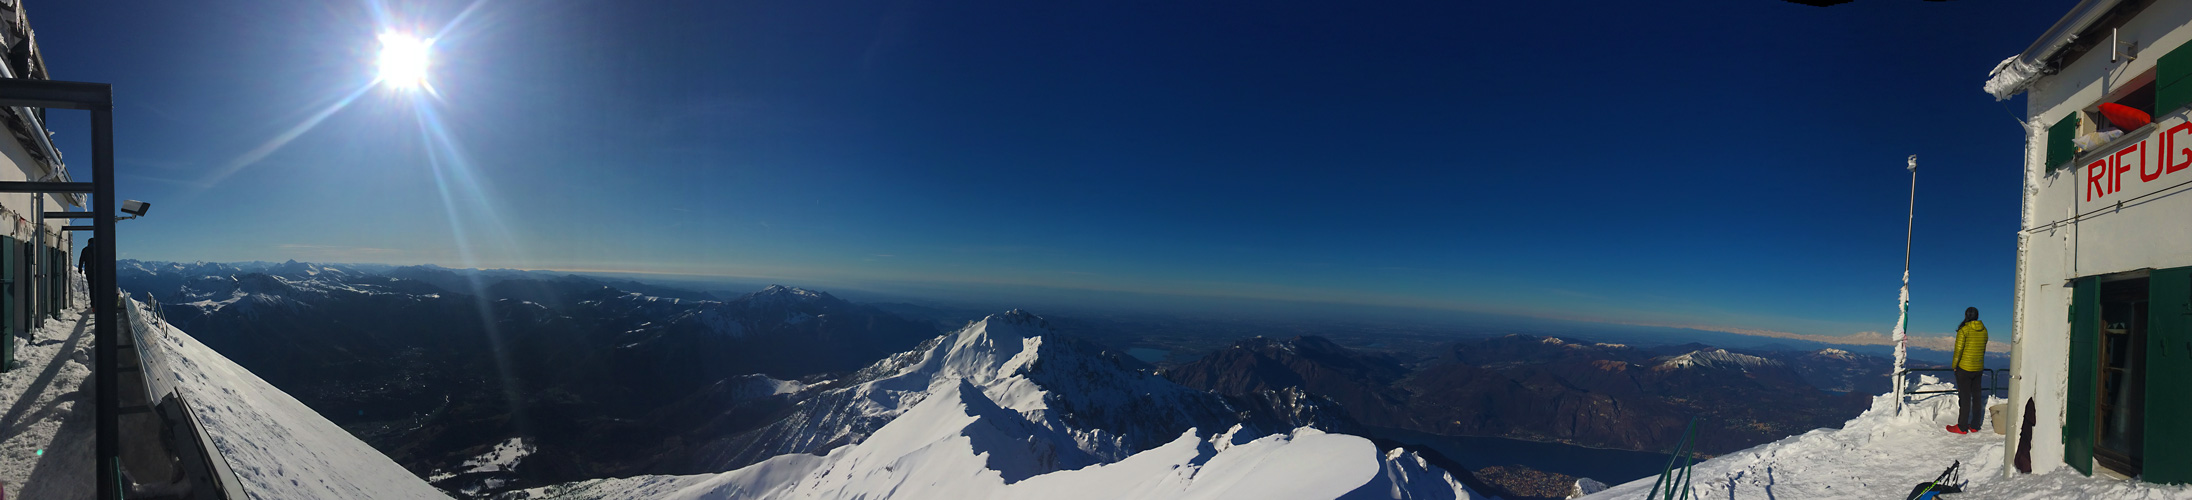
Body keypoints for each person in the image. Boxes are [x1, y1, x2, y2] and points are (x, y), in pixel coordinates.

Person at [1948, 307, 1988, 434]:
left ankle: (1962, 426)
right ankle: (1975, 425)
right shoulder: (1984, 330)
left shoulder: (1963, 330)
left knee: (1965, 397)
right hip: (1978, 368)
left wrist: (1954, 365)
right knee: (1976, 397)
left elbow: (1958, 351)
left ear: (1966, 315)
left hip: (1964, 368)